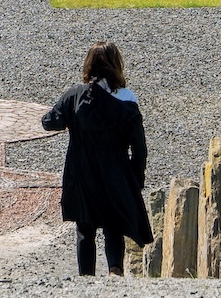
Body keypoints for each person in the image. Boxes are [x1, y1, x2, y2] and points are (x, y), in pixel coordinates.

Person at [41, 41, 154, 276]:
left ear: (89, 65)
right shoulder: (127, 99)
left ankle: (86, 278)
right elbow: (139, 146)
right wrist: (136, 178)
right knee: (114, 225)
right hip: (116, 172)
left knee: (85, 227)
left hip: (81, 172)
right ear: (116, 65)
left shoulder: (74, 95)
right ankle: (115, 270)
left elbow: (49, 122)